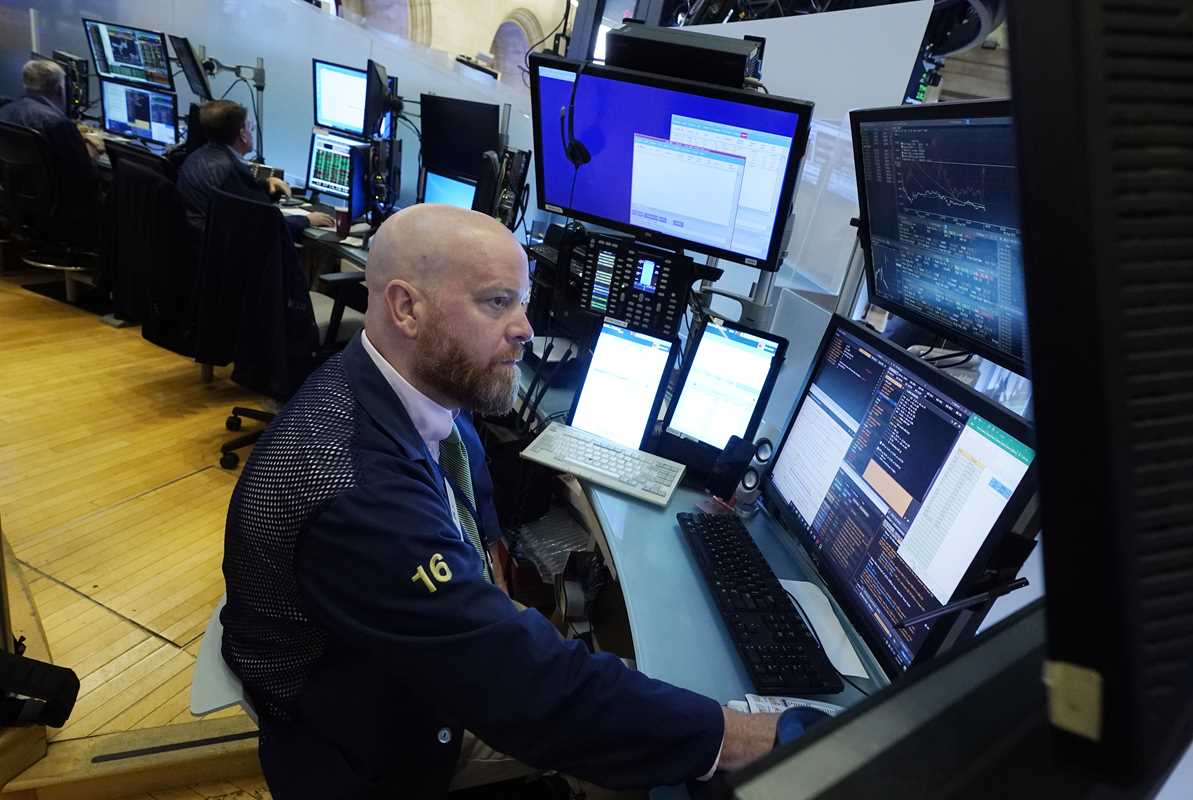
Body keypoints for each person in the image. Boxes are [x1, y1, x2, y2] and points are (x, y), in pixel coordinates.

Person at [221, 204, 780, 798]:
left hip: (387, 665)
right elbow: (523, 690)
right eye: (497, 302)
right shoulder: (354, 486)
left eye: (523, 301)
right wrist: (732, 736)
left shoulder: (410, 390)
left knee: (629, 694)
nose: (526, 329)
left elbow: (474, 512)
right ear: (406, 308)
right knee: (659, 759)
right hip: (368, 741)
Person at [176, 99, 332, 238]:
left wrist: (267, 185)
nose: (251, 131)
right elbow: (265, 228)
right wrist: (307, 220)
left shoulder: (196, 157)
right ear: (242, 134)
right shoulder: (232, 170)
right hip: (223, 252)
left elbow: (243, 201)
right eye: (249, 126)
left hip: (199, 245)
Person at [0, 59, 102, 244]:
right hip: (60, 208)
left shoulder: (5, 112)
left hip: (19, 200)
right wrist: (93, 150)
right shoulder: (57, 124)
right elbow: (84, 174)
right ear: (60, 89)